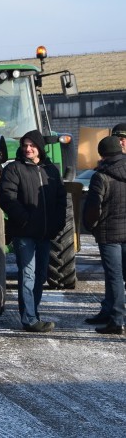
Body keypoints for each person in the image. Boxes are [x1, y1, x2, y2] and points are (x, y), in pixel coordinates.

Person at [0, 129, 67, 333]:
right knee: (27, 274)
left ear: (40, 148)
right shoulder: (14, 169)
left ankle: (33, 313)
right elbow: (6, 197)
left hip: (45, 234)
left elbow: (61, 200)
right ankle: (29, 318)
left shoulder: (51, 171)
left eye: (32, 145)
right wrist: (24, 219)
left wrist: (58, 223)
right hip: (25, 233)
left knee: (40, 276)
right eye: (25, 145)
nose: (28, 149)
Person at [82, 136, 126, 335]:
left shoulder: (101, 176)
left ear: (102, 154)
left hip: (109, 234)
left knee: (114, 276)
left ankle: (116, 320)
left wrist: (91, 226)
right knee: (117, 276)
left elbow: (93, 208)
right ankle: (108, 311)